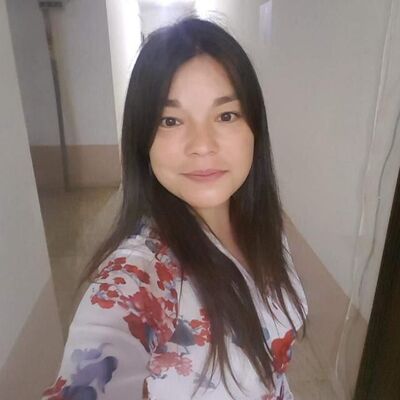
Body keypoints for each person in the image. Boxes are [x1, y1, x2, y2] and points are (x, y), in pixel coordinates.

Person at [41, 15, 308, 400]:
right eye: (170, 120)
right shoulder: (141, 274)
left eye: (226, 115)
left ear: (254, 129)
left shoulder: (264, 225)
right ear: (143, 139)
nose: (202, 144)